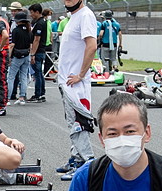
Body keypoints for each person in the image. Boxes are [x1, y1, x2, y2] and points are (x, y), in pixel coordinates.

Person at [55, 0, 98, 181]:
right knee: (72, 121)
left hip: (76, 82)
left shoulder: (86, 15)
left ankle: (86, 162)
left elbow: (92, 46)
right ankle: (76, 157)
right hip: (67, 81)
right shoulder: (73, 17)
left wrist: (81, 74)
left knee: (80, 121)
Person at [6, 11, 31, 105]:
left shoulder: (16, 30)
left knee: (11, 77)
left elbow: (12, 45)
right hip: (26, 55)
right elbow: (31, 44)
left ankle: (7, 98)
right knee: (23, 76)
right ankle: (22, 97)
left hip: (17, 56)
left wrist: (9, 56)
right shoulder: (29, 30)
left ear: (18, 21)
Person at [28, 3, 47, 102]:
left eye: (32, 12)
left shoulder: (40, 23)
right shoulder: (40, 22)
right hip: (40, 50)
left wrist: (33, 54)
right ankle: (41, 93)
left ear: (37, 12)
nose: (31, 15)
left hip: (38, 51)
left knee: (37, 73)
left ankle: (38, 94)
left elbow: (36, 39)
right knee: (39, 73)